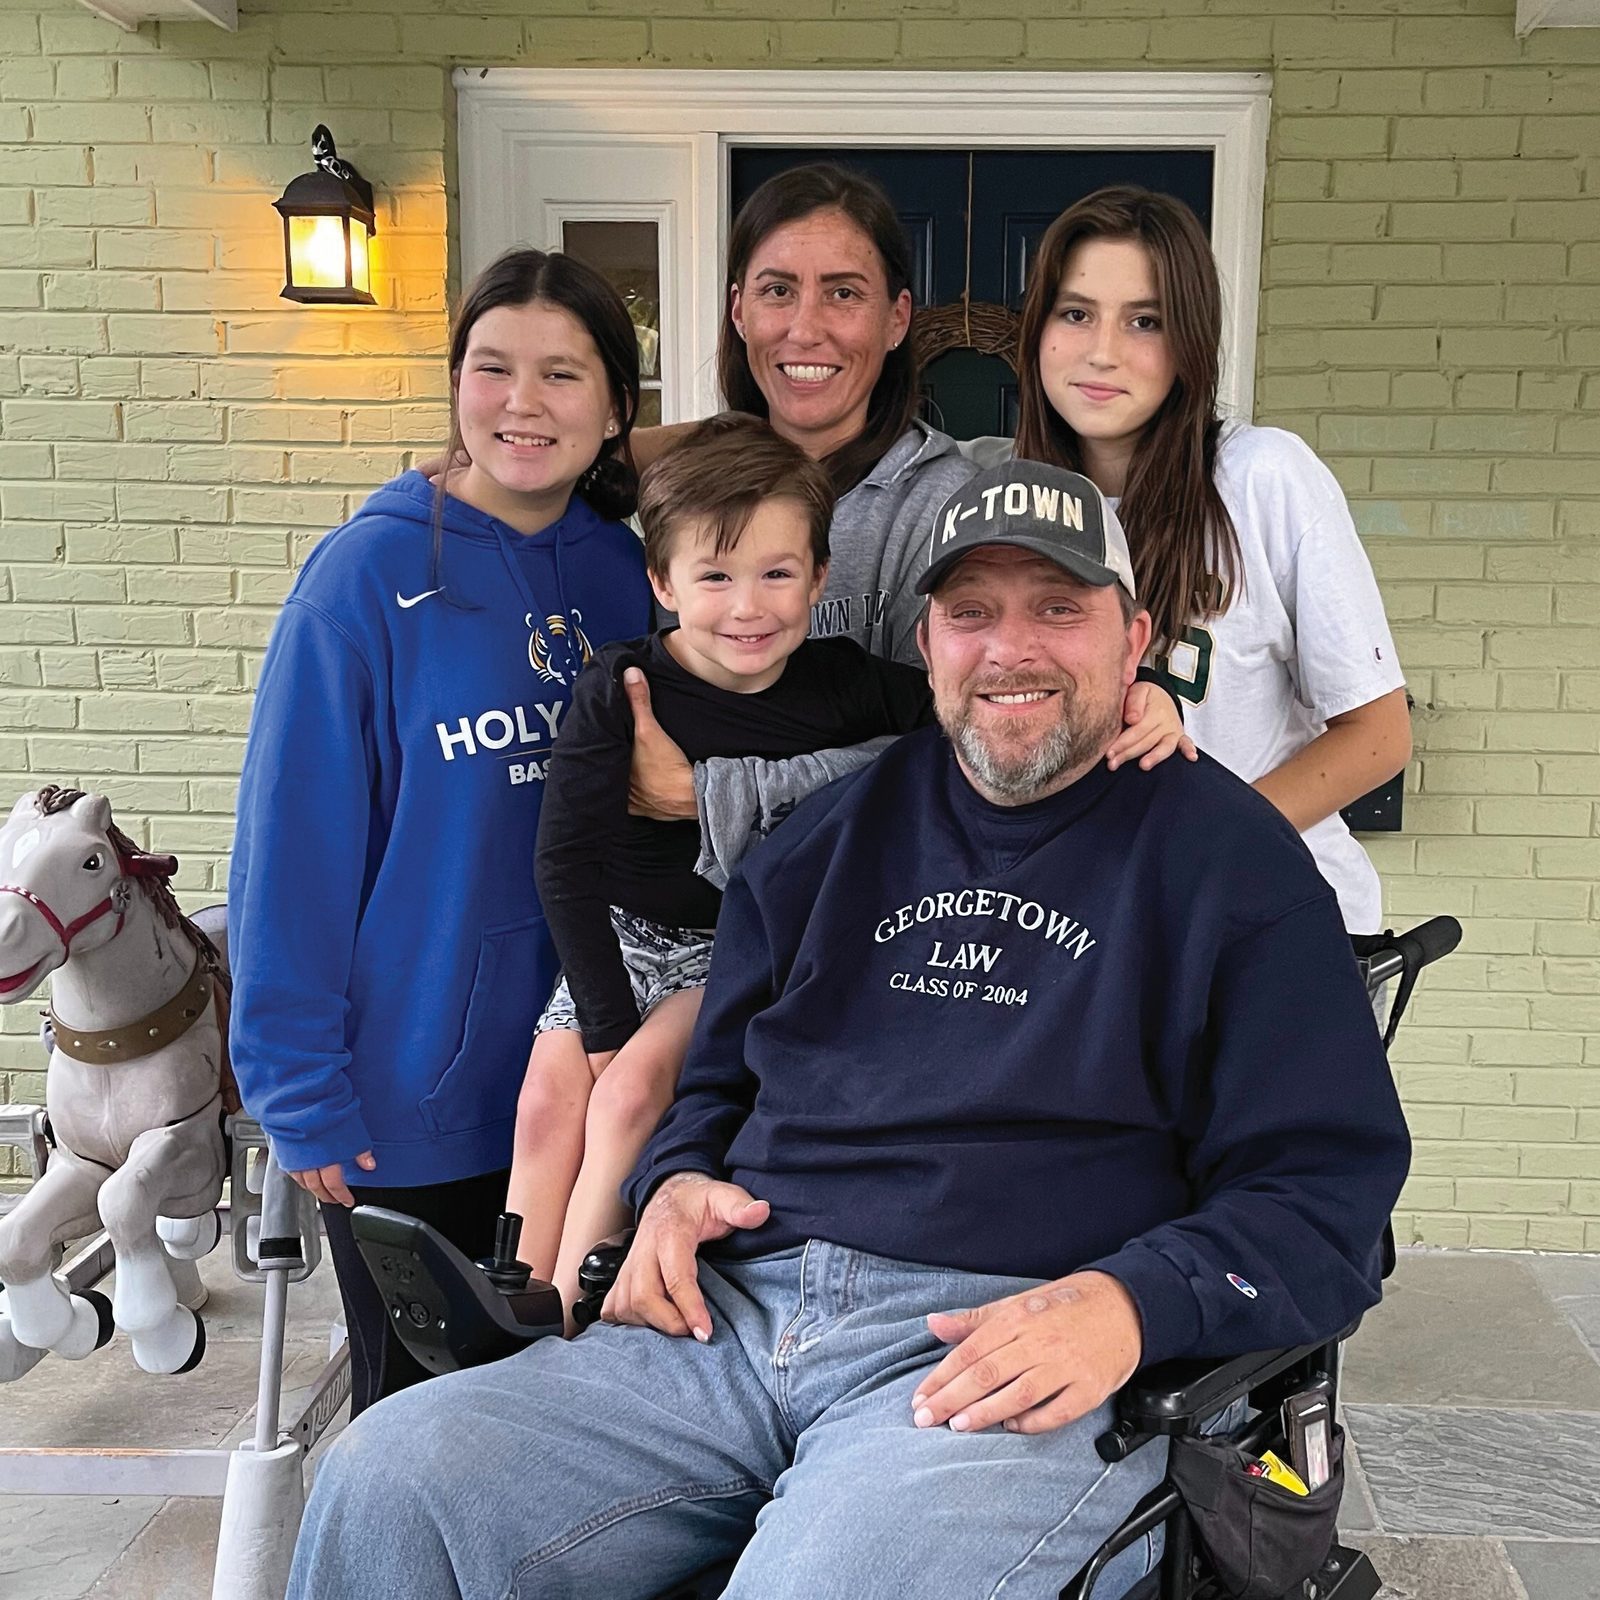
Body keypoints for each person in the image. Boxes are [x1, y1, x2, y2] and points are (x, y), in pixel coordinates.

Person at [287, 459, 1411, 1600]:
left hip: (1002, 1344)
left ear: (1135, 639)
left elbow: (1328, 1196)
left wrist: (1131, 1305)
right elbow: (714, 1083)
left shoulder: (1232, 866)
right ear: (926, 643)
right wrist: (674, 1181)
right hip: (727, 1320)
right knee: (390, 1478)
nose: (1009, 647)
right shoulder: (827, 837)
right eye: (971, 611)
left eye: (1058, 608)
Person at [228, 249, 655, 1414]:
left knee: (569, 1438)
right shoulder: (364, 578)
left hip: (595, 1091)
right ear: (455, 383)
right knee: (423, 1436)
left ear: (617, 404)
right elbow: (291, 848)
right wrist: (294, 1087)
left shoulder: (629, 576)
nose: (523, 403)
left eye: (563, 374)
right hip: (415, 1108)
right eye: (492, 367)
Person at [623, 163, 1190, 864]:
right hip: (670, 906)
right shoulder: (681, 487)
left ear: (897, 319)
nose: (805, 329)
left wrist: (712, 794)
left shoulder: (949, 502)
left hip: (871, 892)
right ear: (739, 311)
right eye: (778, 291)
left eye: (843, 293)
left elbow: (953, 746)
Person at [512, 413, 933, 1319]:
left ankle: (574, 1314)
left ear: (821, 577)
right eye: (715, 576)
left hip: (735, 946)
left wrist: (1131, 696)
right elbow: (563, 862)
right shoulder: (619, 689)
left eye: (778, 574)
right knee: (549, 1097)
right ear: (662, 581)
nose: (749, 607)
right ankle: (508, 1292)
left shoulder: (846, 683)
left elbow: (955, 726)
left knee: (626, 1095)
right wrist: (600, 1022)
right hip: (620, 935)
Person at [1009, 186, 1411, 934]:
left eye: (1145, 321)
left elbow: (1379, 735)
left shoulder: (1263, 477)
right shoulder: (1012, 508)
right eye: (1076, 313)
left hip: (1269, 917)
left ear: (1188, 342)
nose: (1102, 350)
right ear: (1038, 330)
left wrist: (1206, 847)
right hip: (1095, 931)